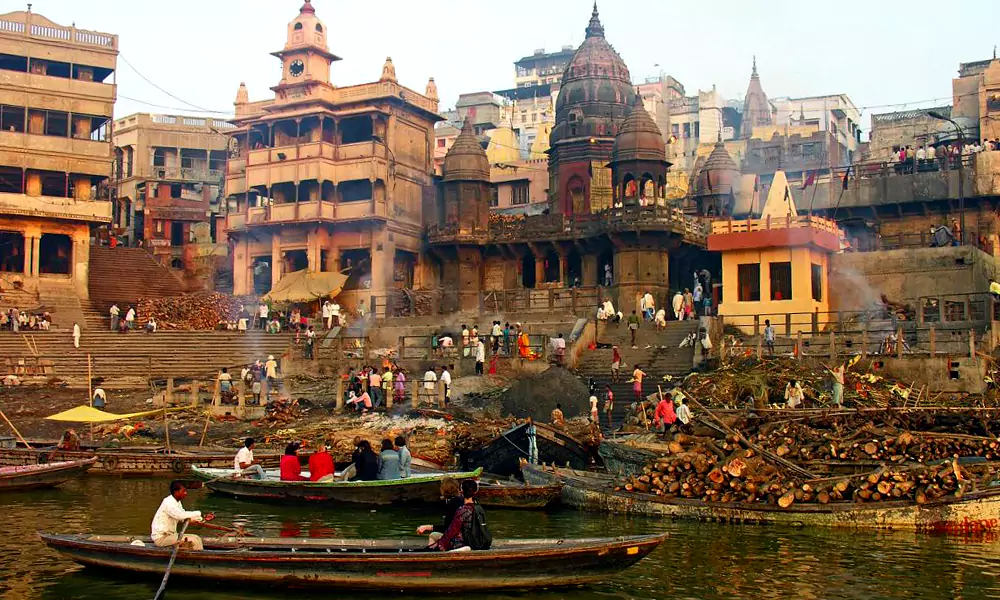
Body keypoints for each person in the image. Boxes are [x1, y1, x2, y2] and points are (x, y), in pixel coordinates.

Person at [151, 481, 214, 551]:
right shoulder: (168, 503)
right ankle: (199, 559)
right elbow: (180, 515)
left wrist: (201, 519)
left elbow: (184, 516)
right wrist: (198, 513)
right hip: (161, 538)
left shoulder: (177, 502)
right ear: (176, 492)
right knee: (194, 541)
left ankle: (200, 555)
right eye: (183, 491)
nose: (186, 493)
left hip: (171, 535)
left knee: (197, 538)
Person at [430, 479, 490, 551]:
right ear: (475, 491)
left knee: (436, 545)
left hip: (465, 542)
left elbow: (452, 530)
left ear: (461, 490)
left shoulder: (462, 510)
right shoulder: (479, 508)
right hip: (480, 541)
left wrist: (440, 544)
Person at [416, 478, 463, 545]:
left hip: (458, 539)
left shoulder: (452, 504)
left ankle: (432, 554)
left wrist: (427, 527)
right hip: (465, 535)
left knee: (433, 535)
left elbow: (447, 528)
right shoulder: (461, 500)